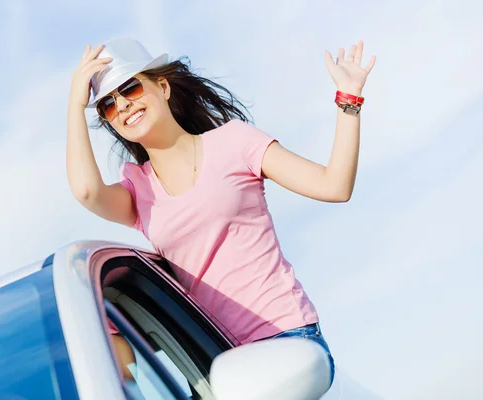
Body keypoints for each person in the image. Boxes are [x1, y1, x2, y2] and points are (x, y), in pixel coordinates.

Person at [66, 37, 375, 398]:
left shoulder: (234, 142)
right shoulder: (137, 188)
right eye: (107, 105)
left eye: (130, 87)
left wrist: (349, 100)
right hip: (216, 365)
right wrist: (75, 103)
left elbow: (333, 185)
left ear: (162, 87)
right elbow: (87, 191)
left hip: (283, 341)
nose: (122, 105)